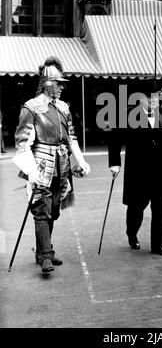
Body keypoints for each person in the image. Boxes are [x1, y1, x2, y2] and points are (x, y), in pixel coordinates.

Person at [13, 57, 90, 276]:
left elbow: (71, 138)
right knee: (41, 211)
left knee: (54, 211)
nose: (62, 86)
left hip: (62, 165)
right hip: (40, 164)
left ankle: (42, 251)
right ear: (47, 82)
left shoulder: (63, 108)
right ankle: (46, 255)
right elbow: (22, 143)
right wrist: (31, 170)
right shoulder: (31, 108)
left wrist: (81, 160)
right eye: (58, 82)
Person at [108, 89, 162, 256]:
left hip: (160, 169)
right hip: (138, 169)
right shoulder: (127, 115)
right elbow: (115, 140)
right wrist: (114, 164)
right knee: (136, 206)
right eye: (151, 98)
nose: (155, 101)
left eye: (157, 98)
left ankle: (158, 245)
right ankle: (131, 233)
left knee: (160, 206)